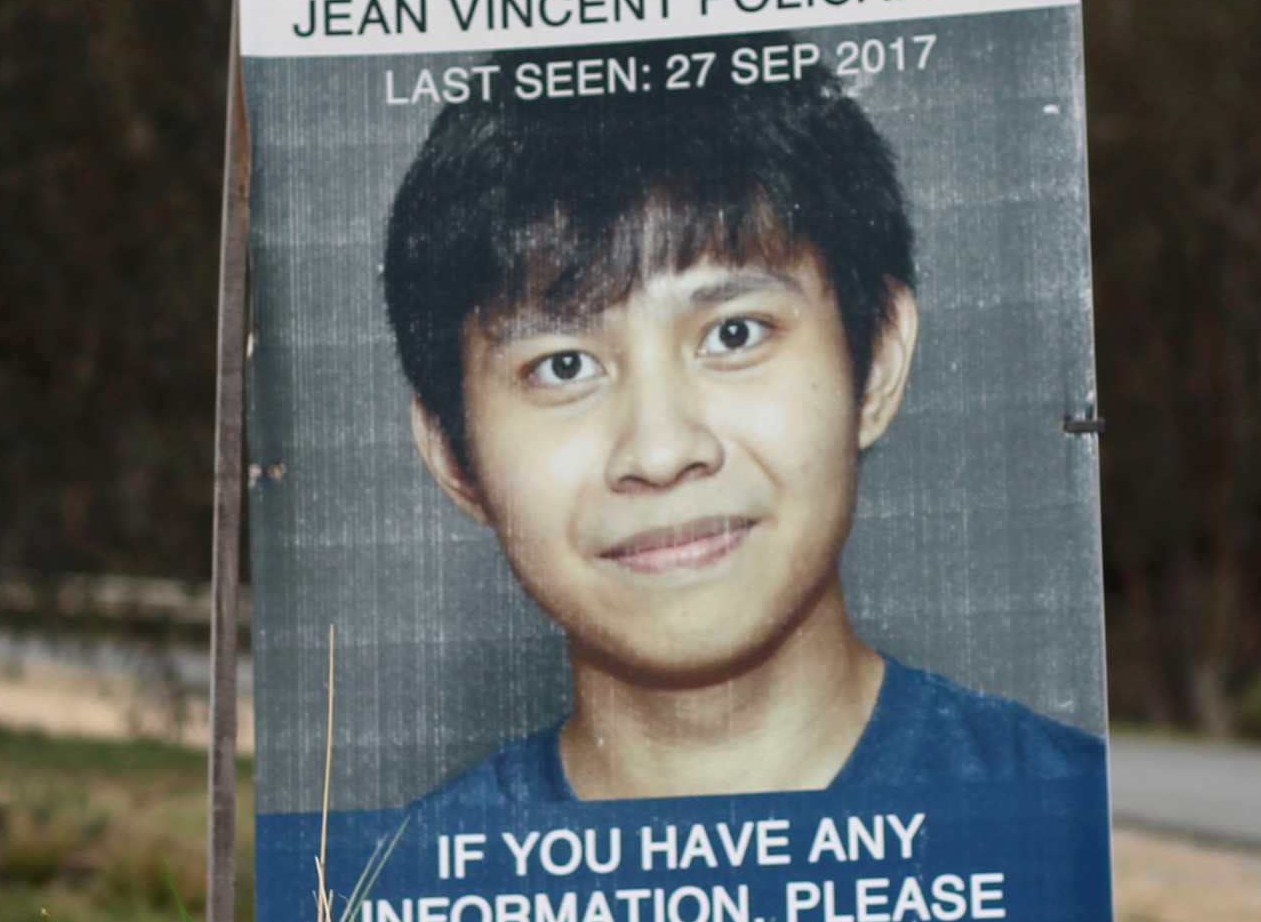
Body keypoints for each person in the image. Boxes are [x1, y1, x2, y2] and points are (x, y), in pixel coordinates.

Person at [380, 62, 1101, 809]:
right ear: (451, 452)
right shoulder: (392, 905)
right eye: (563, 366)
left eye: (734, 333)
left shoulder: (1067, 833)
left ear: (879, 358)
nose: (660, 452)